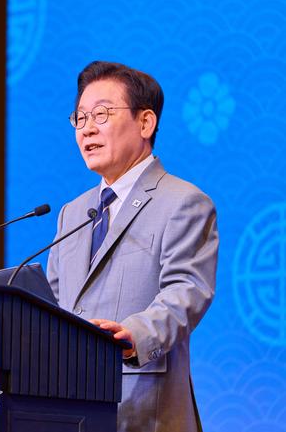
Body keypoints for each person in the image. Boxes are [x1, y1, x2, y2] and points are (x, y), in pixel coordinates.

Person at [47, 61, 218, 432]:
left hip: (144, 411)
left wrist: (134, 335)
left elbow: (186, 292)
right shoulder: (72, 213)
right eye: (80, 118)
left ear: (145, 123)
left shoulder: (183, 202)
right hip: (71, 413)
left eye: (102, 114)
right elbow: (53, 306)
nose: (87, 128)